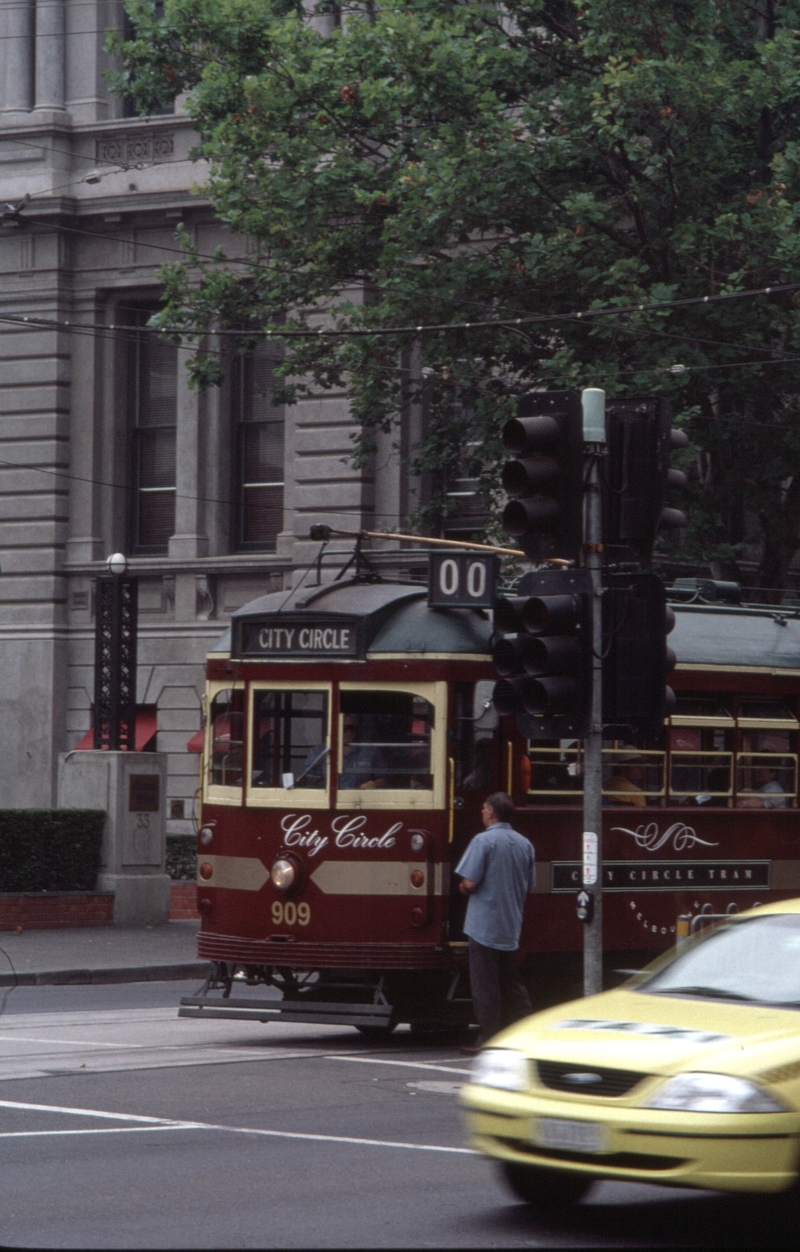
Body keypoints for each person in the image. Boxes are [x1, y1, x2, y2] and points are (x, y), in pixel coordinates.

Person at [455, 792, 537, 1051]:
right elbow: (529, 885)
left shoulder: (483, 841)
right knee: (511, 981)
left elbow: (470, 882)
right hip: (511, 922)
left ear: (491, 812)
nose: (481, 812)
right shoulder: (525, 844)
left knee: (484, 983)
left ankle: (488, 1038)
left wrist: (463, 888)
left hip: (483, 924)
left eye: (483, 808)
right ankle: (526, 1030)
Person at [337, 715, 386, 789]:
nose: (349, 732)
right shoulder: (320, 752)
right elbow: (313, 779)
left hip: (362, 798)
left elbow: (384, 778)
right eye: (345, 729)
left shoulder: (371, 751)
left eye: (352, 728)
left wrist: (373, 784)